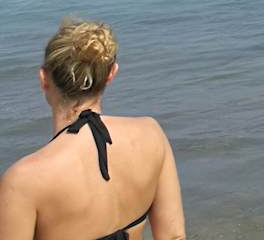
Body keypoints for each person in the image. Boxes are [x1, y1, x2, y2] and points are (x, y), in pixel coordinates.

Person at [0, 19, 184, 240]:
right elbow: (173, 236)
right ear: (111, 73)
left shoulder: (24, 181)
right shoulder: (151, 135)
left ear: (43, 78)